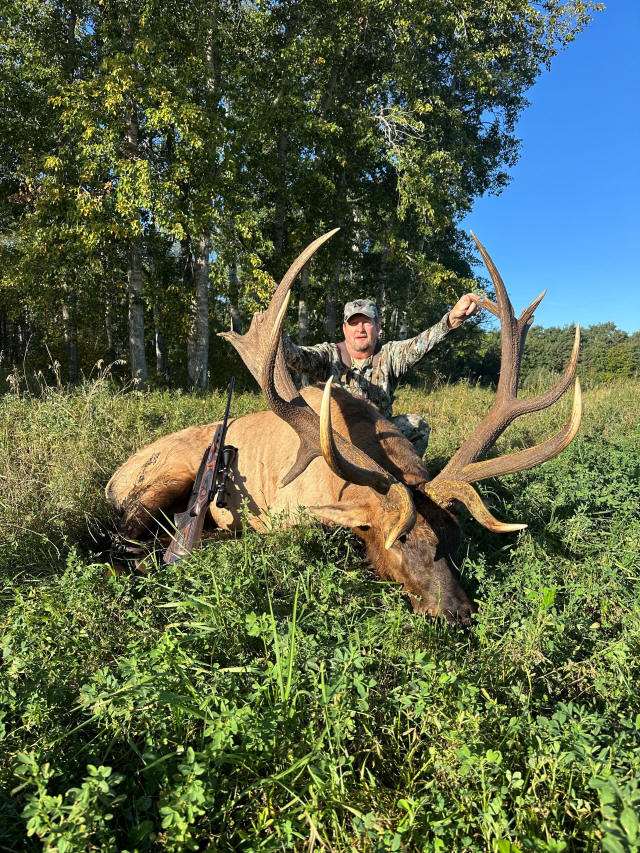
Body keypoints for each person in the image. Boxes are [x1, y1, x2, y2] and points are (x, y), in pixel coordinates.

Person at [282, 294, 479, 457]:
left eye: (366, 322)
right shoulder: (329, 355)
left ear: (377, 327)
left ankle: (404, 481)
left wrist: (452, 319)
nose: (360, 329)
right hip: (341, 436)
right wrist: (278, 337)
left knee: (418, 426)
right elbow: (297, 356)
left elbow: (422, 344)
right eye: (354, 323)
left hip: (380, 435)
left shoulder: (390, 354)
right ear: (344, 329)